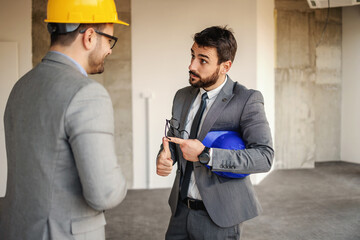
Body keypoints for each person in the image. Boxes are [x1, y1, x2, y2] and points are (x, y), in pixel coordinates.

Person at [0, 0, 128, 239]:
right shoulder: (87, 94)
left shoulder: (21, 85)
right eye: (109, 40)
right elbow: (105, 193)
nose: (110, 49)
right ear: (89, 36)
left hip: (17, 228)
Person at [156, 26, 274, 240]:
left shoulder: (247, 100)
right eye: (192, 56)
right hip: (180, 211)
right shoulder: (182, 96)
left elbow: (264, 157)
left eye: (203, 60)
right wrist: (166, 156)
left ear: (224, 66)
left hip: (219, 217)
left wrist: (207, 154)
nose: (191, 65)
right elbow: (175, 140)